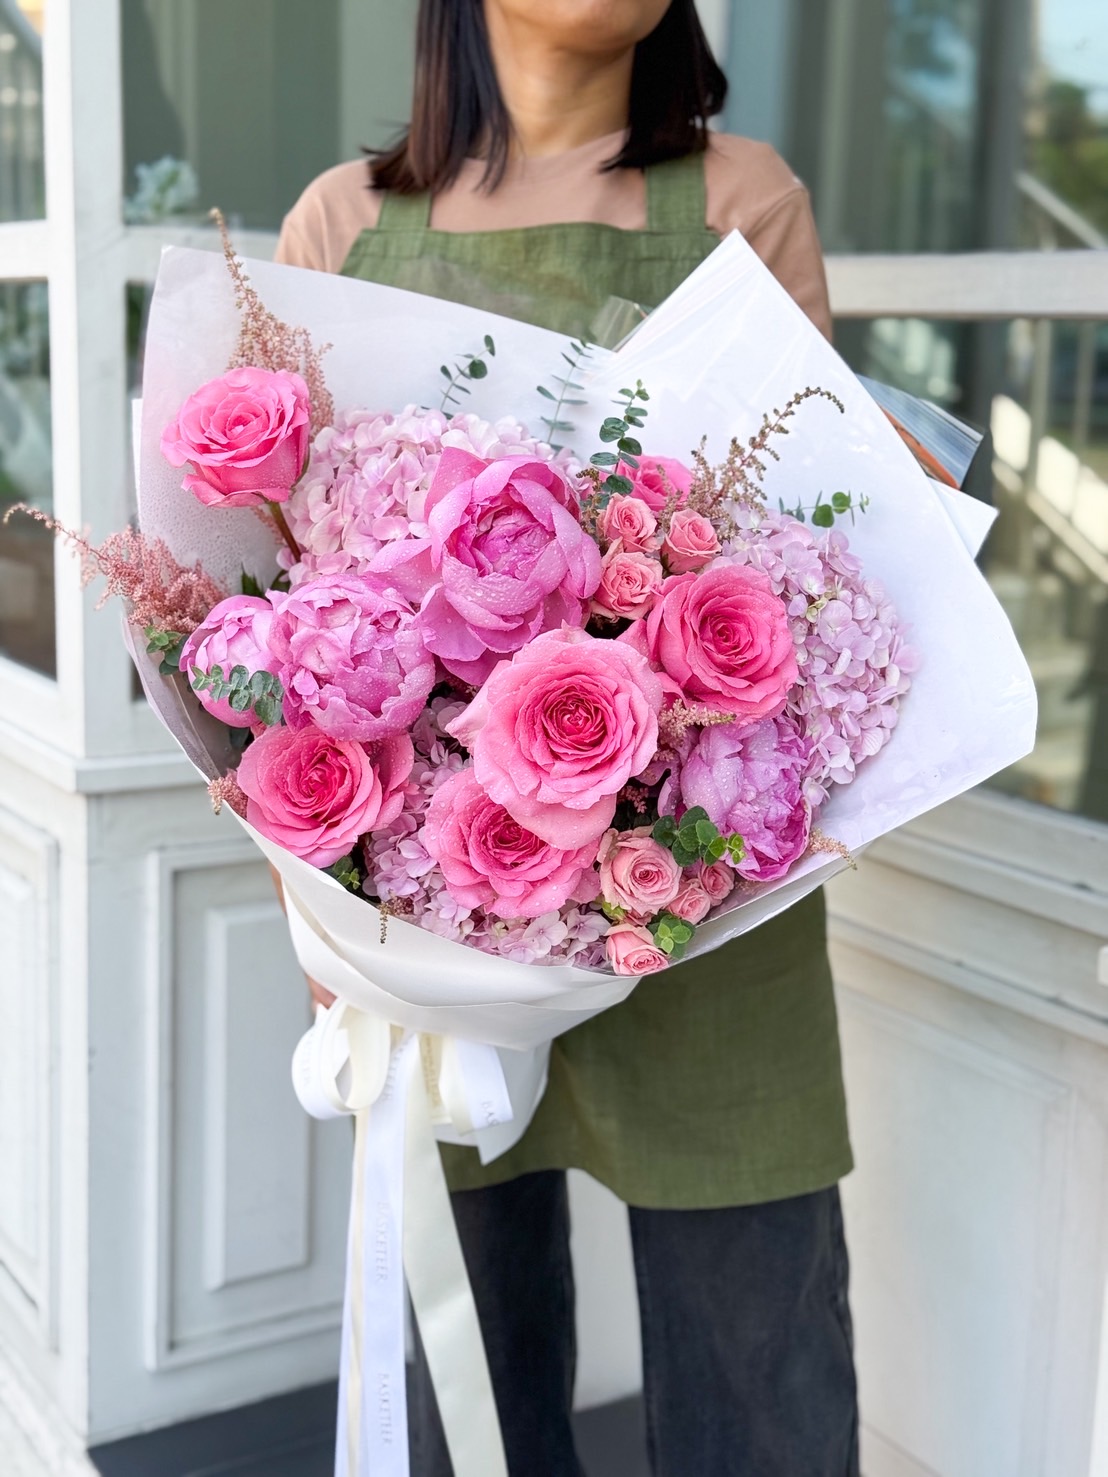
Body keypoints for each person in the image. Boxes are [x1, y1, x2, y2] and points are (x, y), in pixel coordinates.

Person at [276, 3, 859, 1473]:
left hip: (709, 885)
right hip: (442, 885)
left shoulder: (745, 199)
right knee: (465, 1352)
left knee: (758, 1345)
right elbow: (287, 625)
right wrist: (315, 896)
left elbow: (813, 557)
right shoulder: (345, 224)